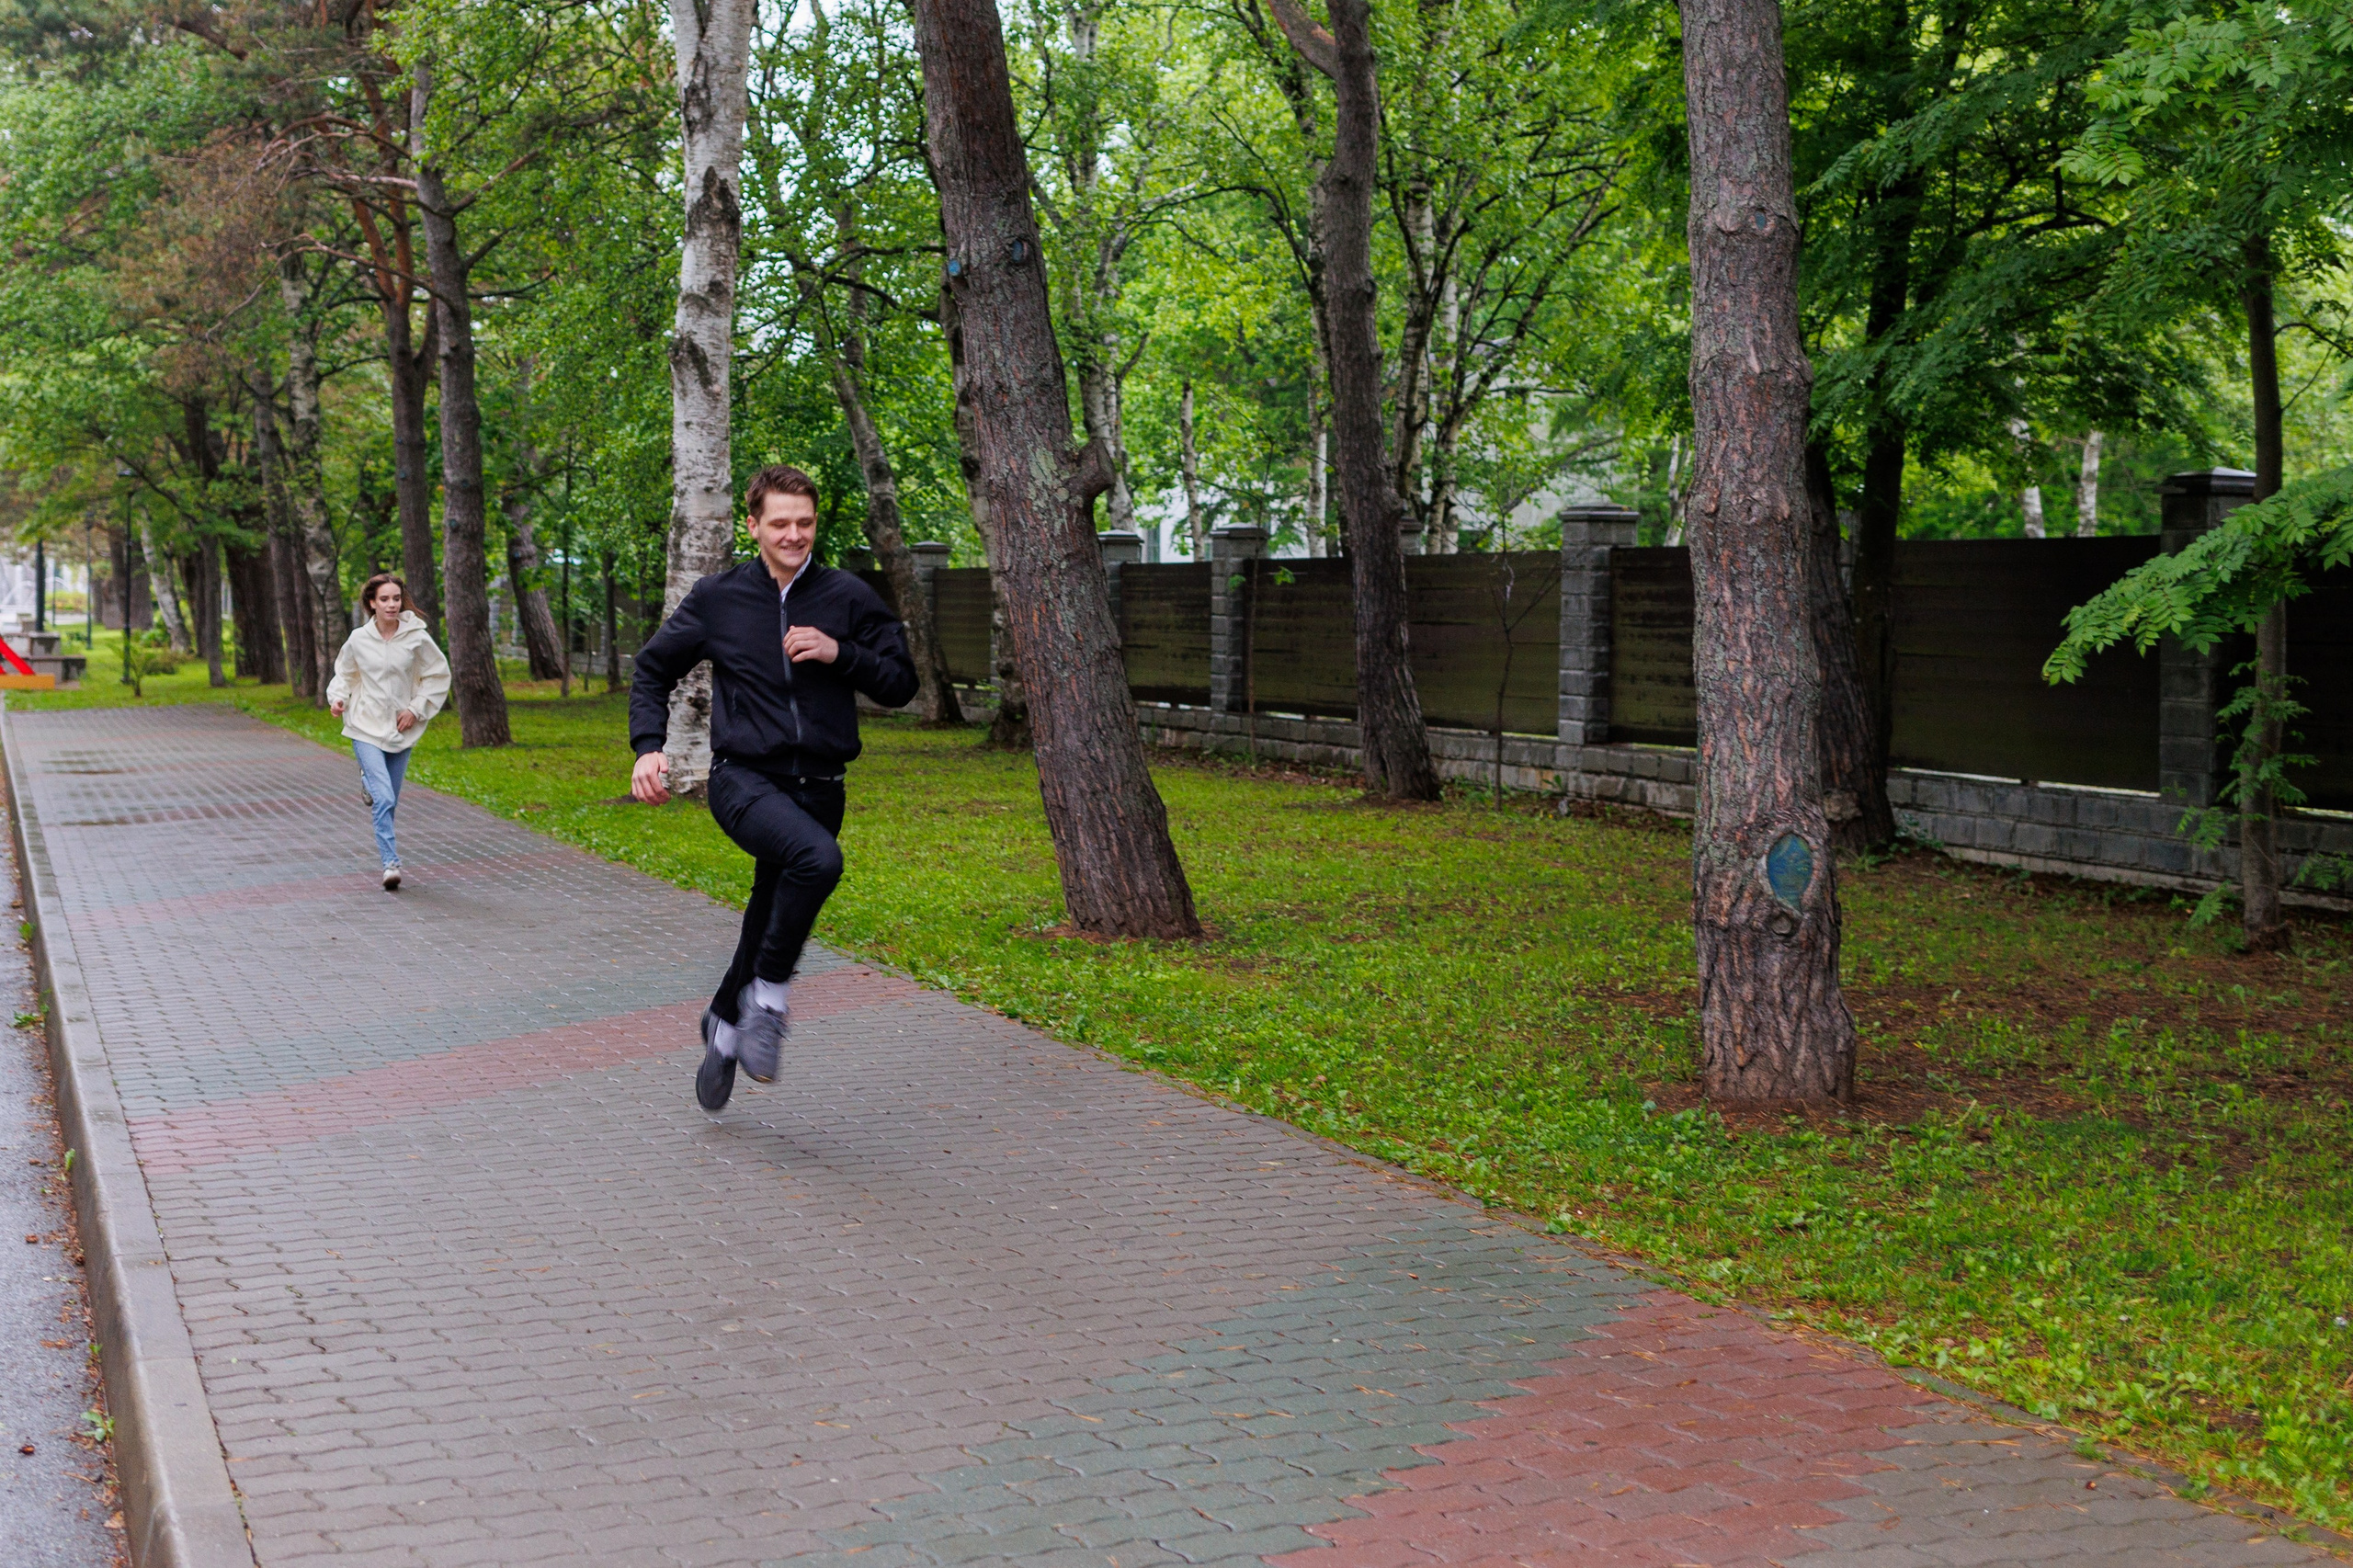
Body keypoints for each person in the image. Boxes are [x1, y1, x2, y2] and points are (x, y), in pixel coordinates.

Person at [630, 464, 917, 1110]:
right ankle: (769, 1001)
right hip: (743, 778)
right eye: (780, 523)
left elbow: (902, 683)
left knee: (768, 911)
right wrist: (649, 747)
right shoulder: (719, 598)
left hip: (822, 785)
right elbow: (652, 669)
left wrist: (841, 653)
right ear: (753, 526)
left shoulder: (847, 596)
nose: (794, 535)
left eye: (805, 523)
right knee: (818, 860)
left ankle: (723, 1024)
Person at [327, 574, 451, 892]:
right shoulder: (358, 639)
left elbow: (438, 675)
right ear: (372, 603)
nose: (391, 604)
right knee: (383, 798)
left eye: (396, 598)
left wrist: (416, 709)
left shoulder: (416, 638)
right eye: (384, 599)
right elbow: (345, 674)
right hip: (364, 726)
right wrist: (338, 699)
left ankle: (369, 781)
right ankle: (390, 863)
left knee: (389, 800)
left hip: (400, 729)